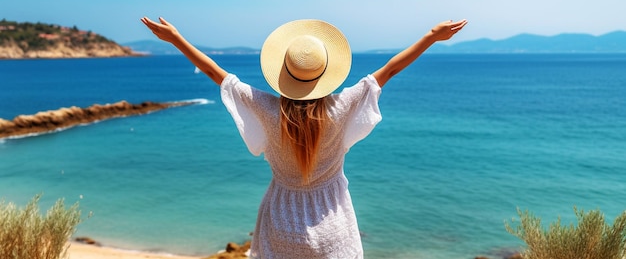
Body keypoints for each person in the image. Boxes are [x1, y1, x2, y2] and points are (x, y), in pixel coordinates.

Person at [141, 16, 467, 259]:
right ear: (325, 74)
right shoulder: (340, 108)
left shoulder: (268, 110)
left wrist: (175, 39)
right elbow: (390, 70)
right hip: (333, 226)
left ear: (284, 74)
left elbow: (217, 74)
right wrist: (430, 37)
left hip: (282, 222)